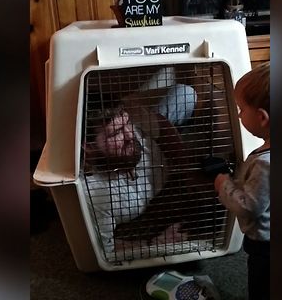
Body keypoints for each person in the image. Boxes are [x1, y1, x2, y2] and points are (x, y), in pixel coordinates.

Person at [82, 84, 197, 255]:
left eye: (127, 124)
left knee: (185, 93)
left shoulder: (134, 126)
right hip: (145, 200)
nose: (129, 135)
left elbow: (162, 126)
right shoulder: (94, 193)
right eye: (116, 133)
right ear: (88, 147)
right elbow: (104, 251)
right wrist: (153, 242)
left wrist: (185, 170)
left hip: (158, 153)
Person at [214, 62, 270, 300]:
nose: (238, 115)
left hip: (266, 247)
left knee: (262, 286)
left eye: (241, 109)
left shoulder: (266, 164)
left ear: (261, 117)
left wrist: (223, 185)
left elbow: (249, 206)